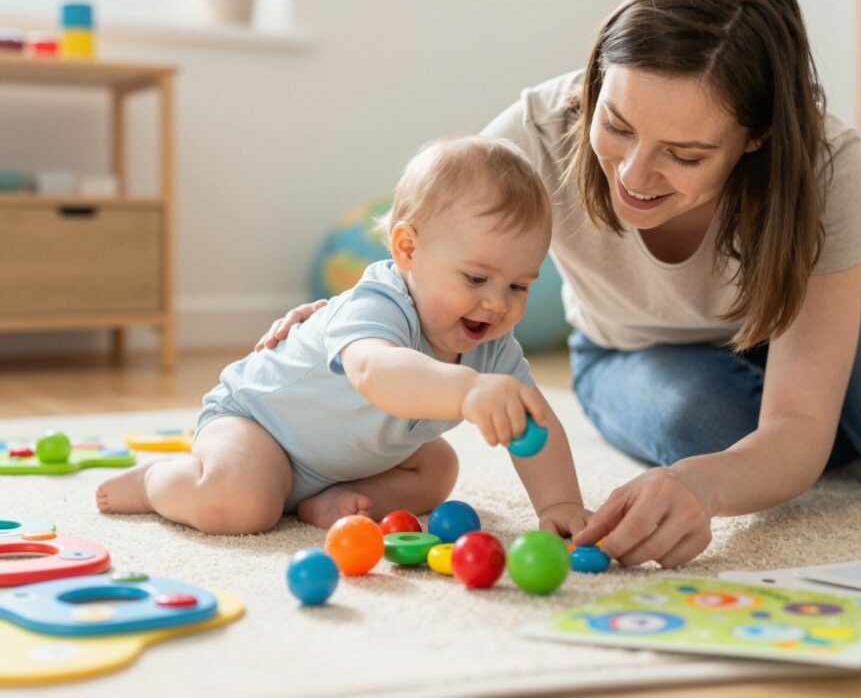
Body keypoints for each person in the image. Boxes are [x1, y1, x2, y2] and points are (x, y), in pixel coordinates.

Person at [255, 0, 861, 565]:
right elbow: (431, 229)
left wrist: (735, 467)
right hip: (636, 351)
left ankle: (823, 387)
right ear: (595, 87)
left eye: (684, 154)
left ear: (755, 138)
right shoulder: (540, 127)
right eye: (617, 126)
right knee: (713, 435)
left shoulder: (822, 163)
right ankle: (821, 418)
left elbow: (796, 424)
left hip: (797, 299)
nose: (634, 176)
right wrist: (362, 307)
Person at [96, 136, 590, 537]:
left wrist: (562, 503)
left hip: (345, 463)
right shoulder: (379, 302)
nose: (498, 303)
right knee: (241, 506)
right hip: (260, 427)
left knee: (438, 469)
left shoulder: (493, 346)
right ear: (408, 249)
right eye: (477, 279)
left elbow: (535, 424)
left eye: (519, 285)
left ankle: (328, 502)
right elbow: (376, 374)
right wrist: (468, 390)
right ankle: (155, 483)